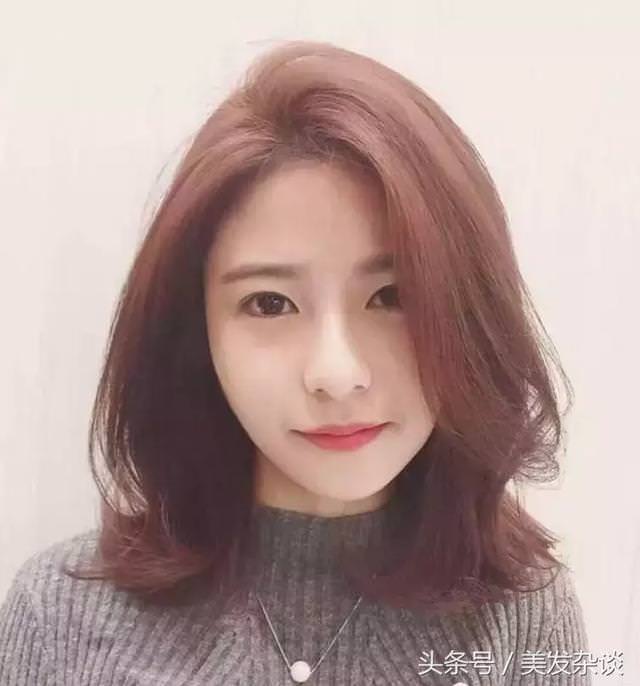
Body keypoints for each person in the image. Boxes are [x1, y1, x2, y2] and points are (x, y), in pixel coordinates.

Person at [0, 41, 591, 685]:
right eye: (270, 303)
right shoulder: (58, 618)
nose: (336, 374)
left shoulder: (526, 619)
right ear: (195, 333)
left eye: (392, 296)